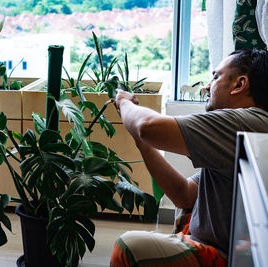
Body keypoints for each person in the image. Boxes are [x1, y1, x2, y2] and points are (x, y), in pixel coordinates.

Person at [110, 49, 268, 266]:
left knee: (128, 247)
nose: (207, 86)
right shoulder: (247, 125)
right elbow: (184, 195)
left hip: (223, 256)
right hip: (211, 244)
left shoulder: (244, 123)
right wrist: (141, 142)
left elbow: (148, 127)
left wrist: (124, 102)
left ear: (239, 84)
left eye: (215, 76)